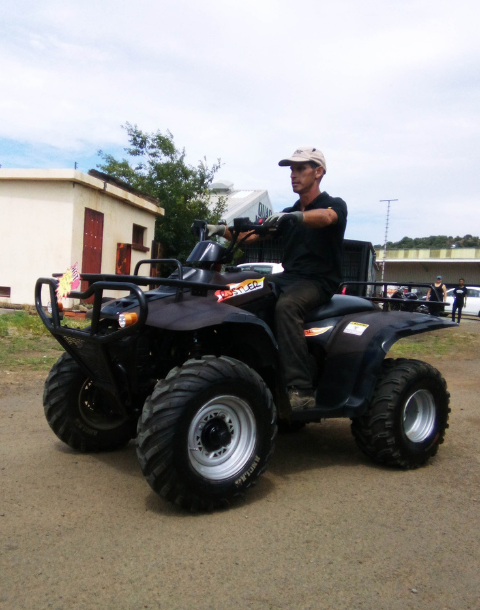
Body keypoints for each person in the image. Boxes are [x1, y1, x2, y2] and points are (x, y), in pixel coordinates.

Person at [209, 146, 347, 410]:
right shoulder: (289, 212)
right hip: (289, 277)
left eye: (300, 168)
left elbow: (327, 217)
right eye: (291, 169)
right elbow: (252, 235)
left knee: (287, 307)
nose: (293, 175)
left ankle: (300, 389)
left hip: (318, 281)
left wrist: (296, 217)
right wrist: (219, 229)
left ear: (318, 172)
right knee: (238, 293)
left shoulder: (333, 205)